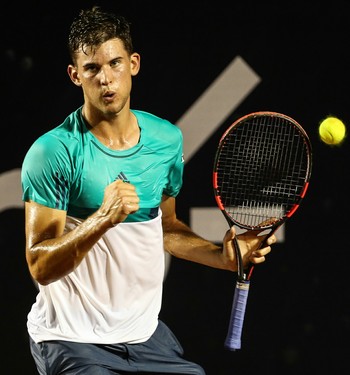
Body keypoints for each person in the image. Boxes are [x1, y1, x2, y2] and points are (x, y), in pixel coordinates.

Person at [21, 6, 277, 375]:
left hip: (144, 336)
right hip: (71, 340)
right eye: (92, 69)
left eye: (115, 64)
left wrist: (221, 256)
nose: (106, 80)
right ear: (75, 75)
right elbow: (41, 266)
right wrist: (102, 219)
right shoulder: (53, 153)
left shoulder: (166, 140)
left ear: (134, 64)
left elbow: (167, 229)